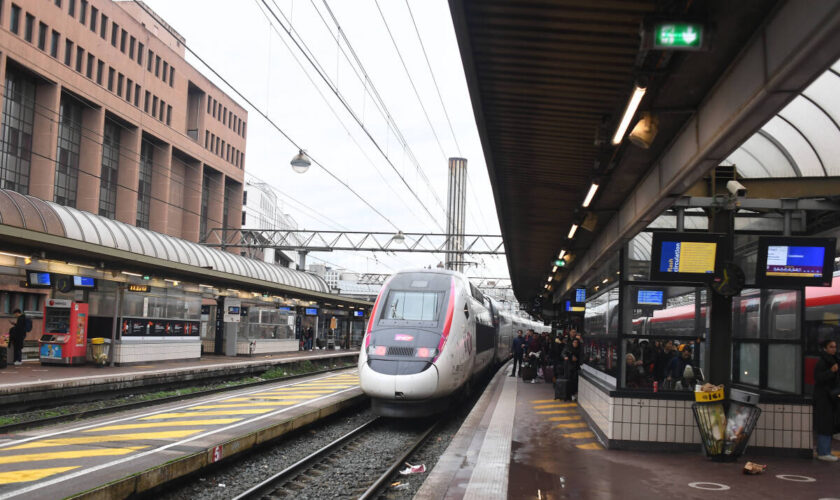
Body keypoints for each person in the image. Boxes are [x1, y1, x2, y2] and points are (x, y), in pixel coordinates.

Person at [813, 339, 839, 462]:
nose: (834, 349)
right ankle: (823, 452)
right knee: (825, 423)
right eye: (831, 347)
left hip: (830, 397)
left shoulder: (832, 360)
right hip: (824, 397)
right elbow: (818, 378)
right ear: (825, 348)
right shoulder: (823, 362)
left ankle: (825, 451)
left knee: (828, 424)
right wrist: (831, 371)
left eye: (835, 347)